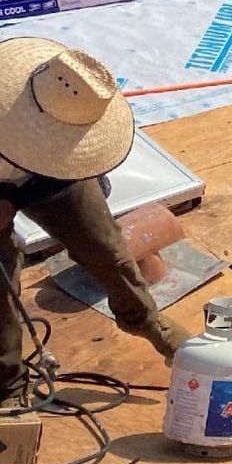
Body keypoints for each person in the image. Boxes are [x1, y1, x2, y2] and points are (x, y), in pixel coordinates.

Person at [0, 39, 192, 412]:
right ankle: (7, 384)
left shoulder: (70, 99)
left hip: (49, 170)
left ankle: (145, 320)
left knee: (106, 249)